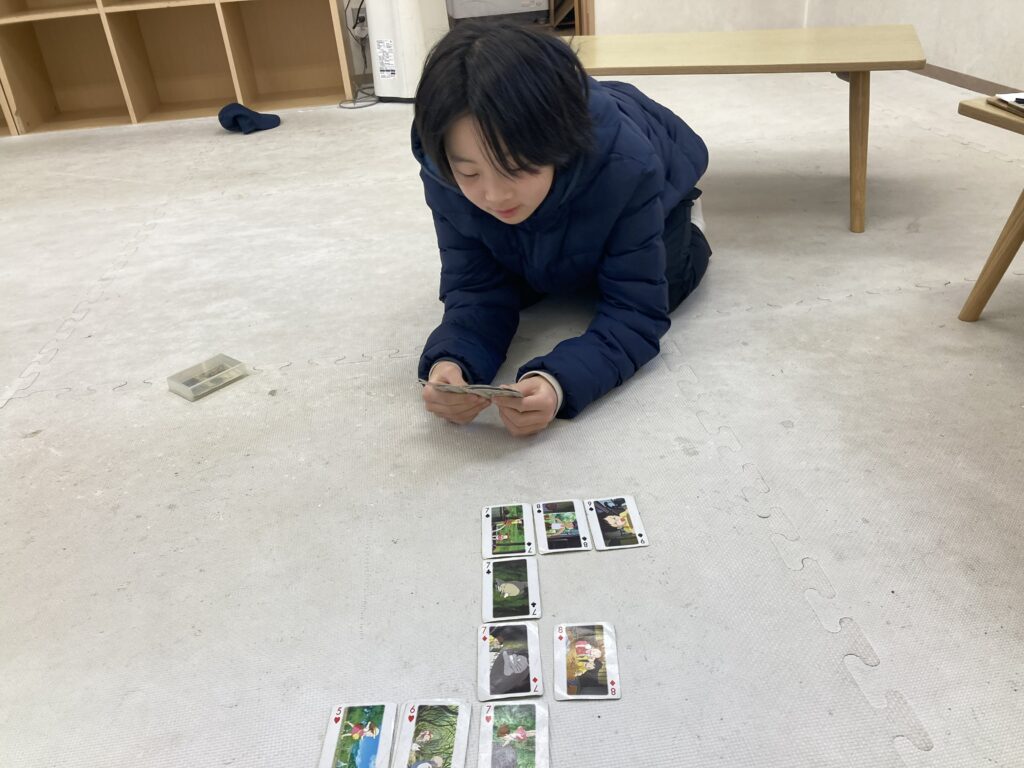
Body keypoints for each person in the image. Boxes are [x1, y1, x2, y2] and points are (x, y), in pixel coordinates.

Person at [414, 21, 710, 436]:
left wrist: (558, 383)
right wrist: (452, 360)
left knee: (665, 283)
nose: (494, 195)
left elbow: (636, 313)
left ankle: (686, 217)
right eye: (470, 173)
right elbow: (476, 288)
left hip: (649, 170)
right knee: (526, 281)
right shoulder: (444, 173)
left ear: (556, 144)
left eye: (516, 168)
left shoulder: (628, 166)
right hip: (567, 186)